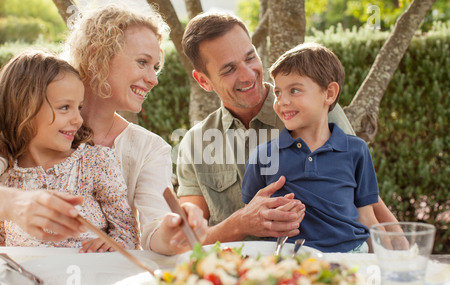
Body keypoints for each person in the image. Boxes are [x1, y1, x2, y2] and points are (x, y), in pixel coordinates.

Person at [0, 5, 206, 255]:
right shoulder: (19, 131)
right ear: (98, 57)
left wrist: (173, 231)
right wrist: (11, 204)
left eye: (155, 67)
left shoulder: (147, 149)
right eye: (142, 62)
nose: (154, 79)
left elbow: (152, 228)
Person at [177, 12, 397, 244]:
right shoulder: (195, 143)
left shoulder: (310, 107)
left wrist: (402, 259)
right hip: (235, 271)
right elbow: (188, 238)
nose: (247, 75)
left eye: (250, 57)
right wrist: (239, 224)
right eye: (229, 69)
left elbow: (365, 199)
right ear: (203, 81)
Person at [242, 43, 379, 252]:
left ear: (329, 93)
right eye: (278, 92)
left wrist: (391, 261)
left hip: (351, 257)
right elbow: (251, 219)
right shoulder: (264, 156)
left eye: (294, 90)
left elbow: (367, 217)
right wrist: (273, 218)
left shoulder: (356, 151)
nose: (282, 101)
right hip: (288, 258)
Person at [0, 50, 139, 252]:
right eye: (64, 107)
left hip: (90, 277)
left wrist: (115, 244)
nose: (78, 120)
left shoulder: (95, 162)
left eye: (79, 107)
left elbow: (127, 233)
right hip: (28, 281)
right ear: (23, 108)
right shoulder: (7, 171)